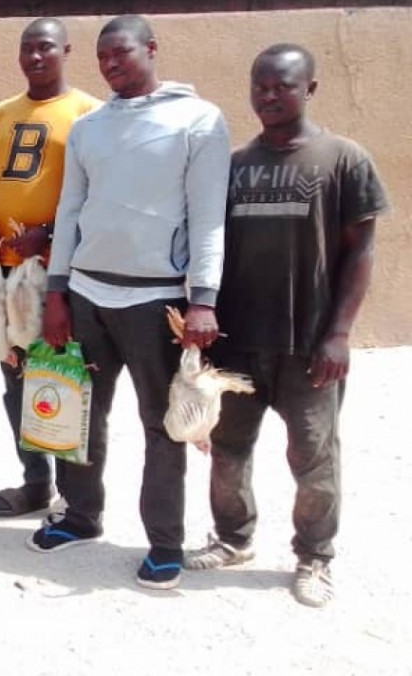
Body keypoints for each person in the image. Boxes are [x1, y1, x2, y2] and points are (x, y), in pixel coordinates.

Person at [185, 44, 388, 608]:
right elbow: (210, 250)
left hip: (309, 346)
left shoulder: (344, 159)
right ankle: (232, 539)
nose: (269, 96)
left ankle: (314, 558)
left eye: (283, 86)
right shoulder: (233, 166)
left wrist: (340, 333)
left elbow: (361, 253)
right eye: (260, 86)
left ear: (310, 89)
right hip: (239, 345)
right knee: (228, 450)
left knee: (313, 456)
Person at [32, 15, 230, 590]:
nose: (110, 64)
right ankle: (80, 513)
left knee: (161, 426)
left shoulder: (197, 120)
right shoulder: (91, 127)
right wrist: (57, 293)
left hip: (157, 302)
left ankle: (164, 542)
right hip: (88, 292)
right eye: (102, 57)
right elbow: (70, 212)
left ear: (151, 48)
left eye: (120, 53)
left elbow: (209, 220)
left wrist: (203, 300)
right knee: (79, 410)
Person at [0, 19, 101, 517]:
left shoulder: (88, 112)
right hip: (7, 271)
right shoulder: (2, 112)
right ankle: (35, 481)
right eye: (27, 48)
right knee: (16, 378)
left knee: (64, 376)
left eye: (45, 47)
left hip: (57, 271)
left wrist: (47, 234)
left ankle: (76, 497)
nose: (35, 56)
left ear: (66, 50)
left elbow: (96, 192)